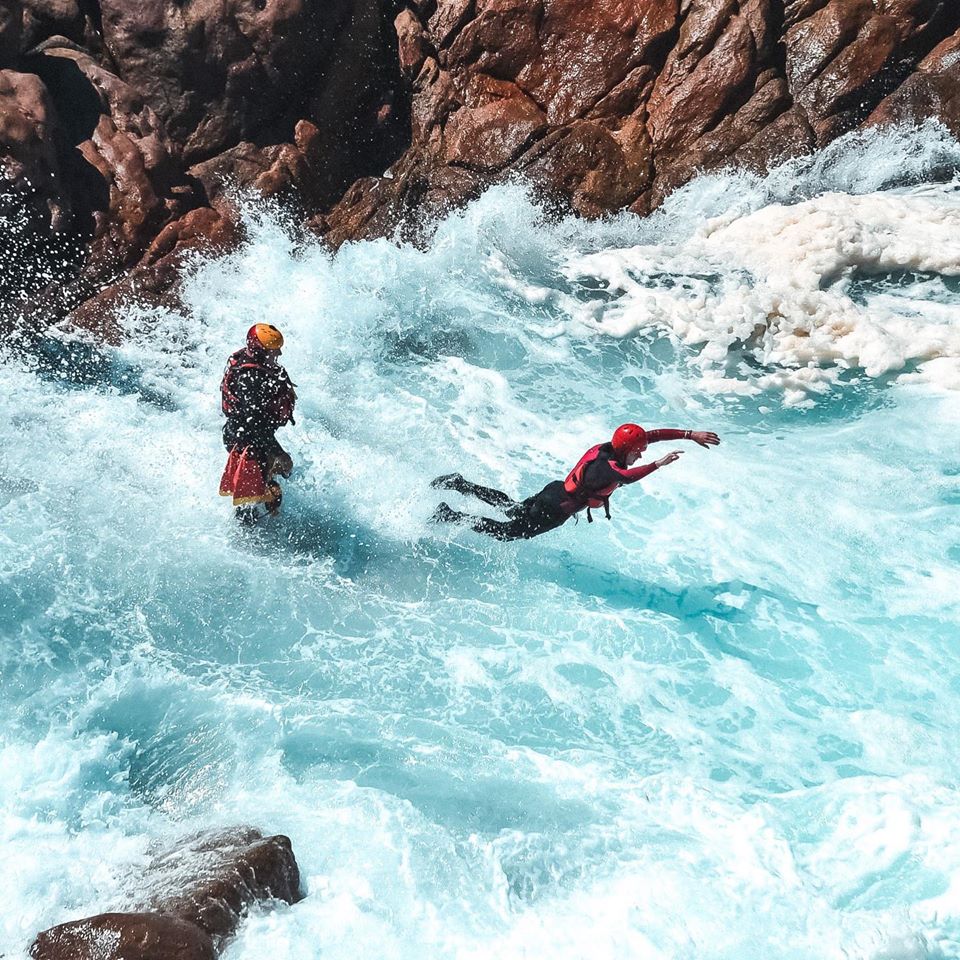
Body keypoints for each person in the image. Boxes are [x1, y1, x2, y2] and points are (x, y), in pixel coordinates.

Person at [431, 423, 720, 541]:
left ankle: (460, 484)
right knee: (508, 533)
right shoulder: (605, 469)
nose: (642, 452)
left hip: (553, 491)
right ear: (625, 450)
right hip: (554, 508)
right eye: (638, 451)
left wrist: (689, 434)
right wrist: (658, 463)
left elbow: (651, 435)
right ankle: (451, 515)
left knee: (510, 508)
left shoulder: (611, 448)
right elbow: (628, 477)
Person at [218, 323, 297, 522]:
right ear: (259, 351)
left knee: (267, 485)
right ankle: (247, 537)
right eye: (273, 350)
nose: (278, 352)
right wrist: (278, 452)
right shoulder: (249, 378)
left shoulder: (256, 363)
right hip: (246, 440)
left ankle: (264, 510)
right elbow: (254, 425)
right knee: (248, 499)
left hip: (250, 435)